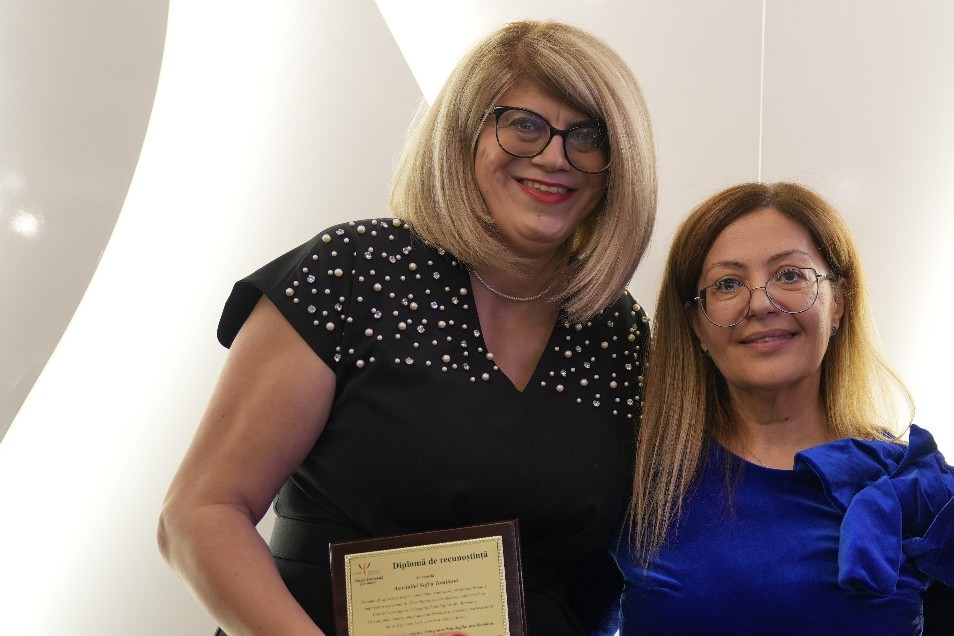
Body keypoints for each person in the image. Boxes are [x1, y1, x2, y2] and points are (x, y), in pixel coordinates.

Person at [157, 20, 656, 636]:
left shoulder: (618, 332)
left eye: (588, 136)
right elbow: (201, 513)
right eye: (524, 124)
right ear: (464, 136)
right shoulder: (353, 272)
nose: (555, 156)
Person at [613, 182, 954, 635]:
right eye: (727, 284)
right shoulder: (637, 478)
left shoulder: (917, 487)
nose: (759, 303)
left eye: (790, 275)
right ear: (696, 324)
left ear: (839, 303)